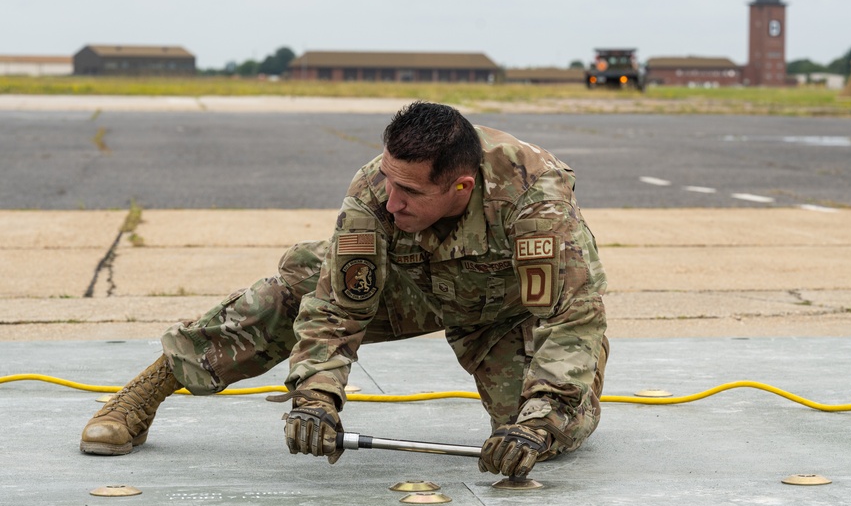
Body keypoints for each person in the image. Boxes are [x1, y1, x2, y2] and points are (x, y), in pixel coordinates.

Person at [80, 101, 609, 479]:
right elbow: (336, 306)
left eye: (410, 191)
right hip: (408, 287)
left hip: (506, 311)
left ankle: (547, 412)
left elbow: (571, 315)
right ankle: (143, 394)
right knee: (295, 289)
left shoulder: (535, 195)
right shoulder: (376, 187)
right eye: (388, 179)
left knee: (537, 439)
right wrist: (315, 398)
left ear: (461, 187)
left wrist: (541, 419)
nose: (391, 199)